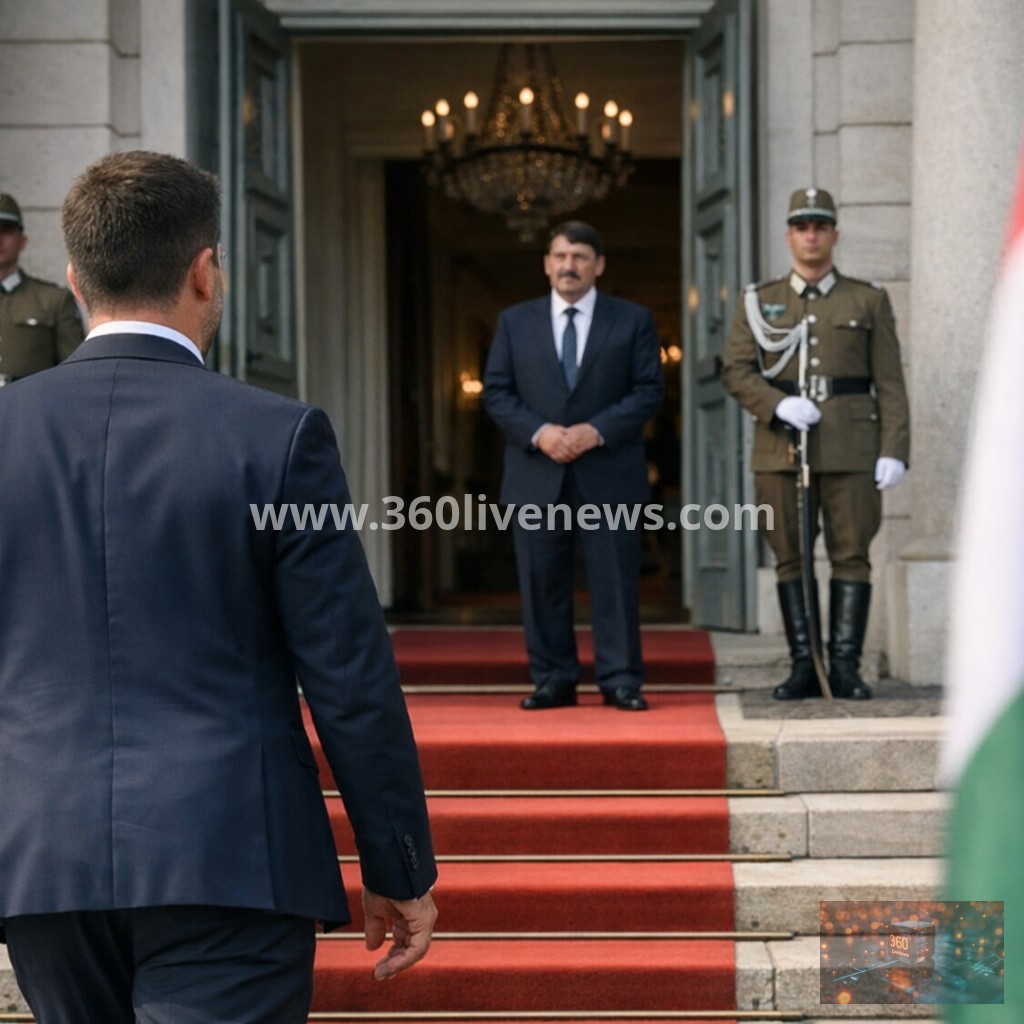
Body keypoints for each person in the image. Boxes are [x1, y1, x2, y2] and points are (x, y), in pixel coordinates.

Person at [0, 151, 438, 1023]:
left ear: (77, 281)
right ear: (206, 272)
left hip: (42, 855)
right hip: (231, 849)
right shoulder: (278, 436)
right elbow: (348, 675)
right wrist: (397, 864)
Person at [721, 187, 910, 700]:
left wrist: (894, 448)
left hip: (852, 445)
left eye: (820, 227)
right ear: (788, 236)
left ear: (834, 235)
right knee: (789, 556)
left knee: (852, 554)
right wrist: (777, 405)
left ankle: (845, 668)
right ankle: (805, 666)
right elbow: (735, 370)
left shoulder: (867, 299)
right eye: (802, 227)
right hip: (780, 448)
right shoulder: (758, 301)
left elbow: (890, 382)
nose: (811, 236)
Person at [483, 220, 664, 711]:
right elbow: (496, 392)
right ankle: (553, 679)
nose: (569, 265)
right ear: (546, 264)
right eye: (561, 256)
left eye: (580, 257)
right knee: (541, 582)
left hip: (609, 471)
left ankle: (621, 680)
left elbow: (649, 390)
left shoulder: (632, 320)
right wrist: (540, 433)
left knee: (616, 582)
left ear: (598, 265)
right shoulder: (514, 322)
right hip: (536, 473)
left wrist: (595, 430)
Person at [0, 192, 84, 380]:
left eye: (6, 231)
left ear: (22, 241)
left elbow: (74, 374)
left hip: (30, 399)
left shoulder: (54, 300)